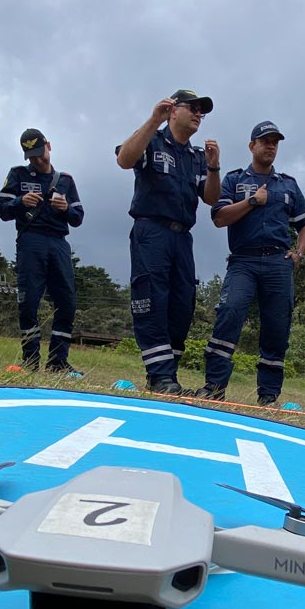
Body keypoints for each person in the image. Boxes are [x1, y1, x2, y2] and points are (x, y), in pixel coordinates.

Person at [197, 121, 305, 406]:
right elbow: (219, 218)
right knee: (229, 315)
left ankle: (269, 396)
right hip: (243, 262)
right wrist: (251, 201)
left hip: (278, 262)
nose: (270, 146)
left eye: (275, 142)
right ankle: (214, 387)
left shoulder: (288, 184)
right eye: (265, 141)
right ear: (252, 146)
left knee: (277, 328)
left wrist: (297, 254)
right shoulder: (235, 180)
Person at [115, 90, 221, 394]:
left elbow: (212, 198)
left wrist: (213, 166)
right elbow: (124, 160)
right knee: (152, 300)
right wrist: (153, 120)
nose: (199, 114)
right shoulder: (152, 140)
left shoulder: (197, 156)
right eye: (194, 108)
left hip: (182, 237)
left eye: (203, 110)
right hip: (151, 231)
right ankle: (160, 376)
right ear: (173, 110)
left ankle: (166, 377)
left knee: (181, 305)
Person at [0, 129, 84, 374]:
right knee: (29, 302)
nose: (38, 160)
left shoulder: (65, 180)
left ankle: (58, 361)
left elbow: (78, 218)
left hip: (58, 243)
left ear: (49, 146)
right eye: (32, 157)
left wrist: (65, 208)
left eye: (40, 154)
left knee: (66, 302)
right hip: (30, 242)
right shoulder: (17, 174)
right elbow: (2, 210)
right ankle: (31, 359)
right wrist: (20, 202)